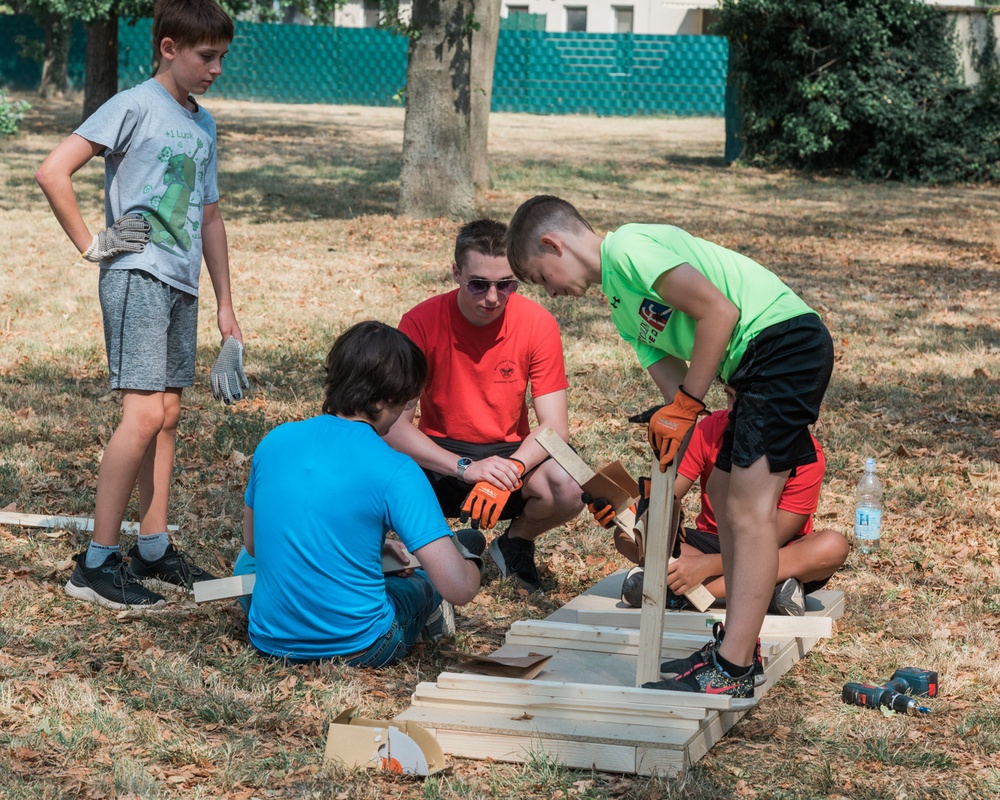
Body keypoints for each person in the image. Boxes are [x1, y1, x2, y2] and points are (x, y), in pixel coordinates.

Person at [506, 196, 834, 704]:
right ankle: (735, 650)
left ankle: (734, 666)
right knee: (727, 498)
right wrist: (643, 502)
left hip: (781, 345)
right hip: (748, 369)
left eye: (539, 276)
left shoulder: (631, 249)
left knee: (749, 512)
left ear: (555, 243)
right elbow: (677, 403)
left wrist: (686, 404)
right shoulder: (620, 306)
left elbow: (719, 313)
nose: (549, 292)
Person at [36, 0, 246, 609]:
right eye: (207, 57)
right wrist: (91, 244)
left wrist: (225, 306)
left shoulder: (203, 124)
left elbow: (208, 216)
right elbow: (54, 171)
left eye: (223, 58)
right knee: (144, 414)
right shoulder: (132, 105)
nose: (216, 69)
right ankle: (96, 566)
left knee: (169, 413)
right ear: (169, 48)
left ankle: (151, 546)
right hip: (135, 276)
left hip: (180, 284)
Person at [236, 321, 483, 666]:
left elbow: (253, 546)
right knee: (429, 577)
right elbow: (458, 588)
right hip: (364, 645)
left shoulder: (274, 441)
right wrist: (470, 562)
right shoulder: (396, 468)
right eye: (409, 404)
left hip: (270, 640)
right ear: (394, 399)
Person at [384, 219, 583, 595]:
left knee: (569, 483)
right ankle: (423, 548)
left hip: (510, 459)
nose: (492, 297)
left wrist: (511, 468)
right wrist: (466, 469)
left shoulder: (538, 323)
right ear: (456, 273)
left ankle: (515, 542)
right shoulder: (420, 322)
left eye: (506, 285)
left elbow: (555, 428)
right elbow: (394, 426)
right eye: (479, 284)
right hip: (438, 460)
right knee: (370, 459)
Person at [602, 383, 849, 616]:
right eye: (730, 395)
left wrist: (705, 568)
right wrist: (622, 506)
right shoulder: (711, 428)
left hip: (775, 551)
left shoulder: (808, 455)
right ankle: (772, 592)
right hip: (713, 541)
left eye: (747, 399)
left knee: (833, 546)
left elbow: (772, 540)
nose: (735, 408)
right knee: (627, 534)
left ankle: (688, 594)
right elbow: (669, 495)